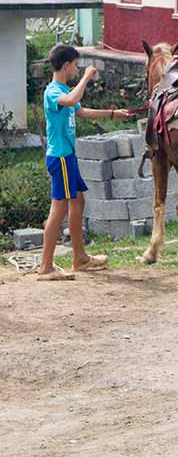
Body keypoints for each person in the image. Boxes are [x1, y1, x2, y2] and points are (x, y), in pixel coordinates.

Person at [37, 45, 133, 281]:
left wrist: (112, 114)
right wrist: (87, 78)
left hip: (67, 156)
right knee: (58, 209)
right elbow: (71, 101)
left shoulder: (62, 89)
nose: (77, 70)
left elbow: (81, 111)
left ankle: (79, 258)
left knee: (78, 201)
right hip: (59, 157)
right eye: (76, 65)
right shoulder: (54, 91)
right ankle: (46, 267)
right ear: (67, 65)